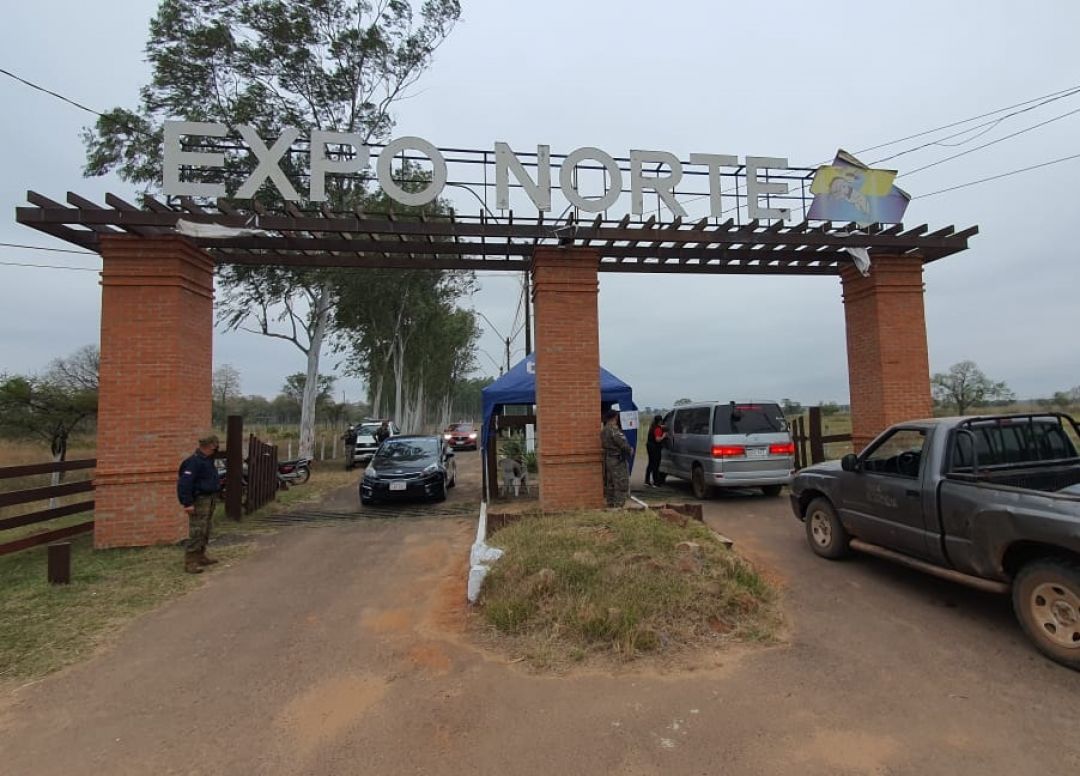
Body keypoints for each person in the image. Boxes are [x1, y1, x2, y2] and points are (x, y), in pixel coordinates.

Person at [176, 433, 222, 574]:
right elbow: (184, 483)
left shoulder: (207, 460)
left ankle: (201, 555)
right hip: (200, 500)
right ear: (209, 446)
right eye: (215, 446)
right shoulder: (194, 462)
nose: (216, 449)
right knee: (197, 530)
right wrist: (187, 503)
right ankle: (190, 562)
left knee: (206, 529)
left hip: (210, 499)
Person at [600, 410, 633, 508]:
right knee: (621, 483)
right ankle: (619, 506)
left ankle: (610, 503)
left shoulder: (604, 430)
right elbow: (623, 444)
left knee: (610, 483)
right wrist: (630, 450)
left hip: (609, 458)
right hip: (618, 460)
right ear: (615, 417)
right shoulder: (614, 430)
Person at [644, 414, 667, 487]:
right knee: (656, 465)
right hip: (655, 448)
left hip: (650, 447)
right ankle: (656, 482)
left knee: (650, 464)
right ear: (660, 421)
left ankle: (647, 481)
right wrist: (663, 436)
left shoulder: (653, 427)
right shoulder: (657, 429)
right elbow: (657, 439)